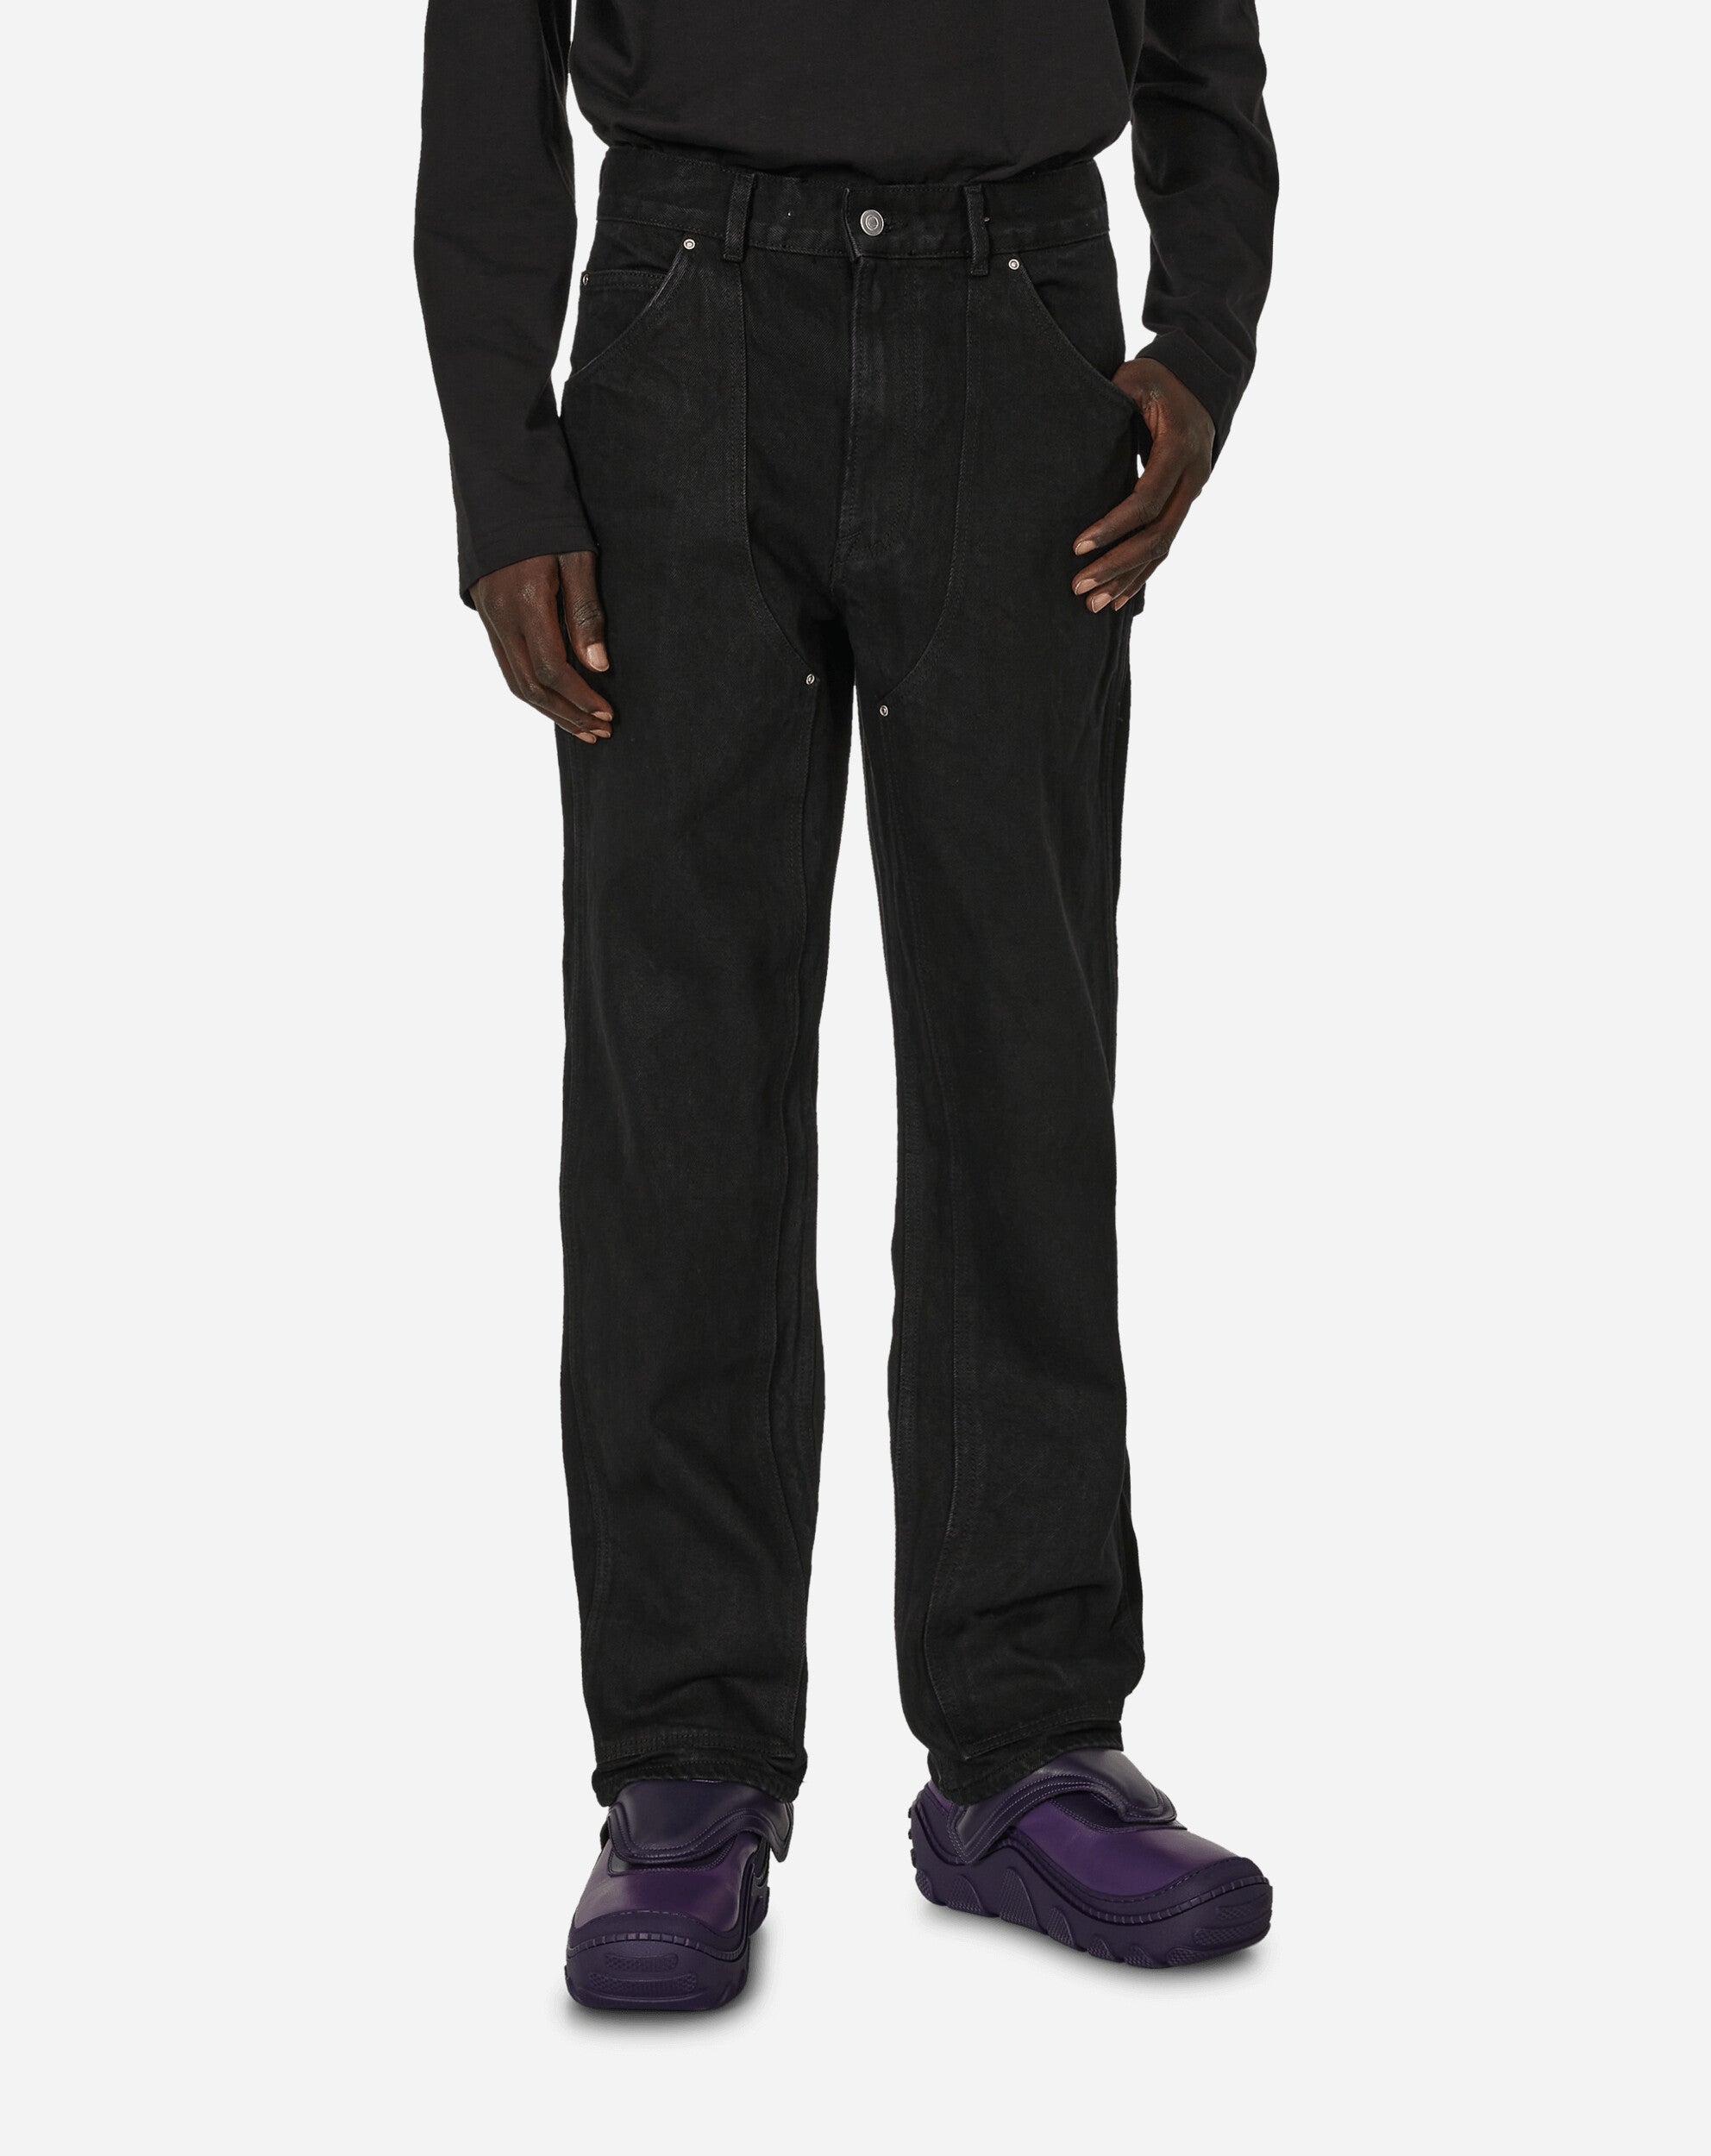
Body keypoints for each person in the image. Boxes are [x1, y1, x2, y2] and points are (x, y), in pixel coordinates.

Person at [416, 0, 1278, 2011]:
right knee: (679, 1080)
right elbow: (485, 43)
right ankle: (684, 1766)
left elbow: (1203, 38)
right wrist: (503, 469)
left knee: (1021, 1058)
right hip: (681, 318)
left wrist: (1204, 333)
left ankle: (1026, 1740)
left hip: (1021, 315)